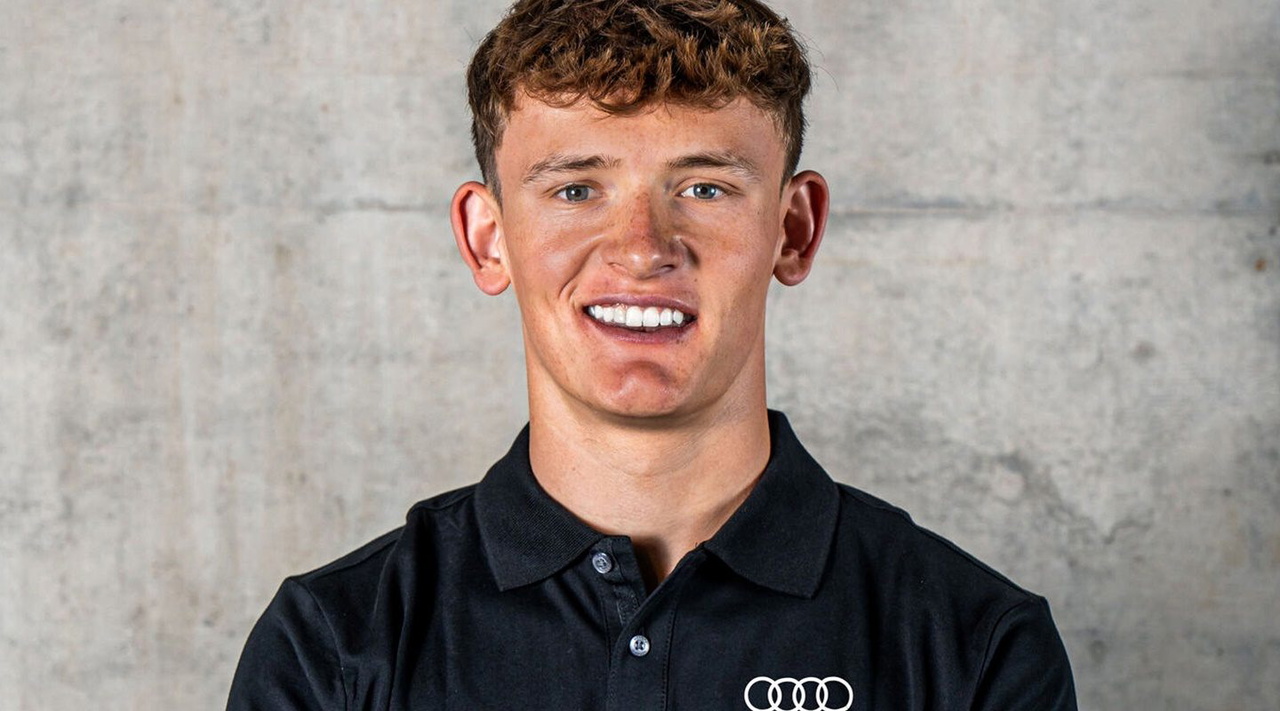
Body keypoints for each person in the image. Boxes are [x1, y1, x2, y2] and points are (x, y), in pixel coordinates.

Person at [226, 0, 1078, 708]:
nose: (641, 248)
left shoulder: (975, 646)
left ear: (793, 229)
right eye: (576, 189)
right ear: (488, 239)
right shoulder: (334, 648)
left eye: (705, 188)